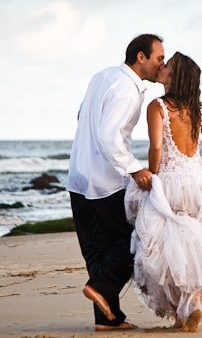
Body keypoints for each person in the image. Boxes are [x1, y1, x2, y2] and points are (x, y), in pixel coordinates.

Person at [125, 52, 202, 333]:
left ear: (175, 77)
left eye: (167, 66)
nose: (161, 67)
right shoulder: (196, 110)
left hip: (170, 182)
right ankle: (193, 304)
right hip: (197, 183)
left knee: (163, 247)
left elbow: (157, 148)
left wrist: (153, 177)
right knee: (197, 245)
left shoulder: (157, 107)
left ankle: (179, 313)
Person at [66, 33, 165, 331]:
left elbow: (82, 114)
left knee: (97, 249)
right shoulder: (127, 90)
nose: (162, 63)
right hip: (105, 181)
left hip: (78, 177)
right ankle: (101, 286)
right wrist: (135, 169)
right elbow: (110, 137)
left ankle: (107, 318)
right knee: (136, 239)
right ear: (141, 57)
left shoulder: (104, 76)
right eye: (159, 57)